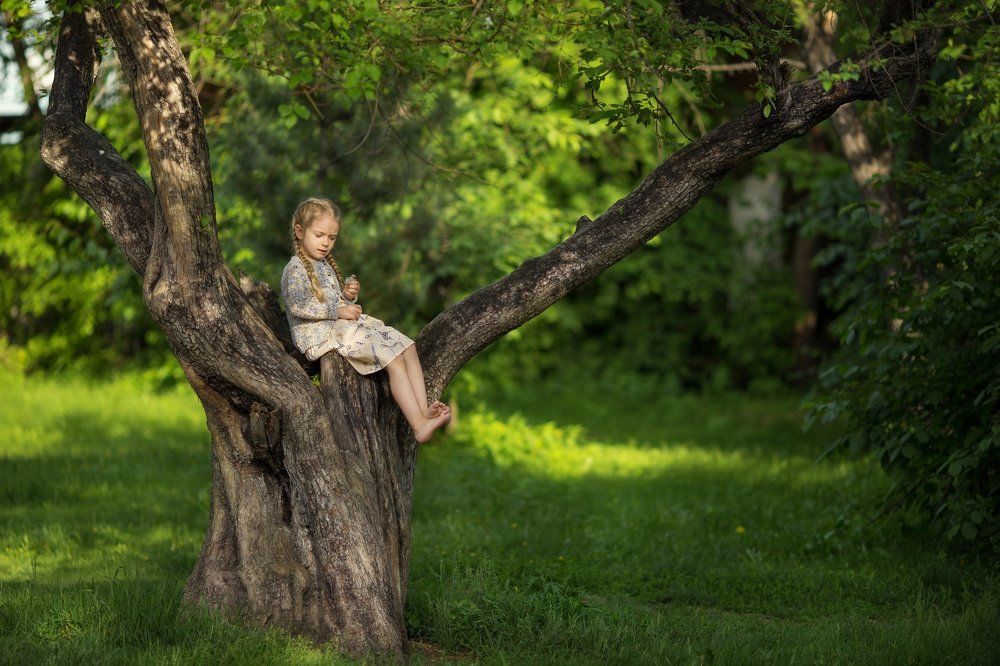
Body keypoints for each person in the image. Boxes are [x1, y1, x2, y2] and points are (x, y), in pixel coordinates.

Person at [280, 196, 451, 444]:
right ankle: (418, 425)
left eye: (332, 238)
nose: (326, 243)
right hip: (321, 336)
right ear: (299, 231)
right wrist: (339, 311)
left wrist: (347, 296)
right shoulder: (295, 268)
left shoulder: (323, 264)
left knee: (407, 346)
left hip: (339, 326)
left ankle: (423, 410)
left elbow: (331, 301)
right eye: (320, 235)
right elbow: (298, 306)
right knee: (391, 357)